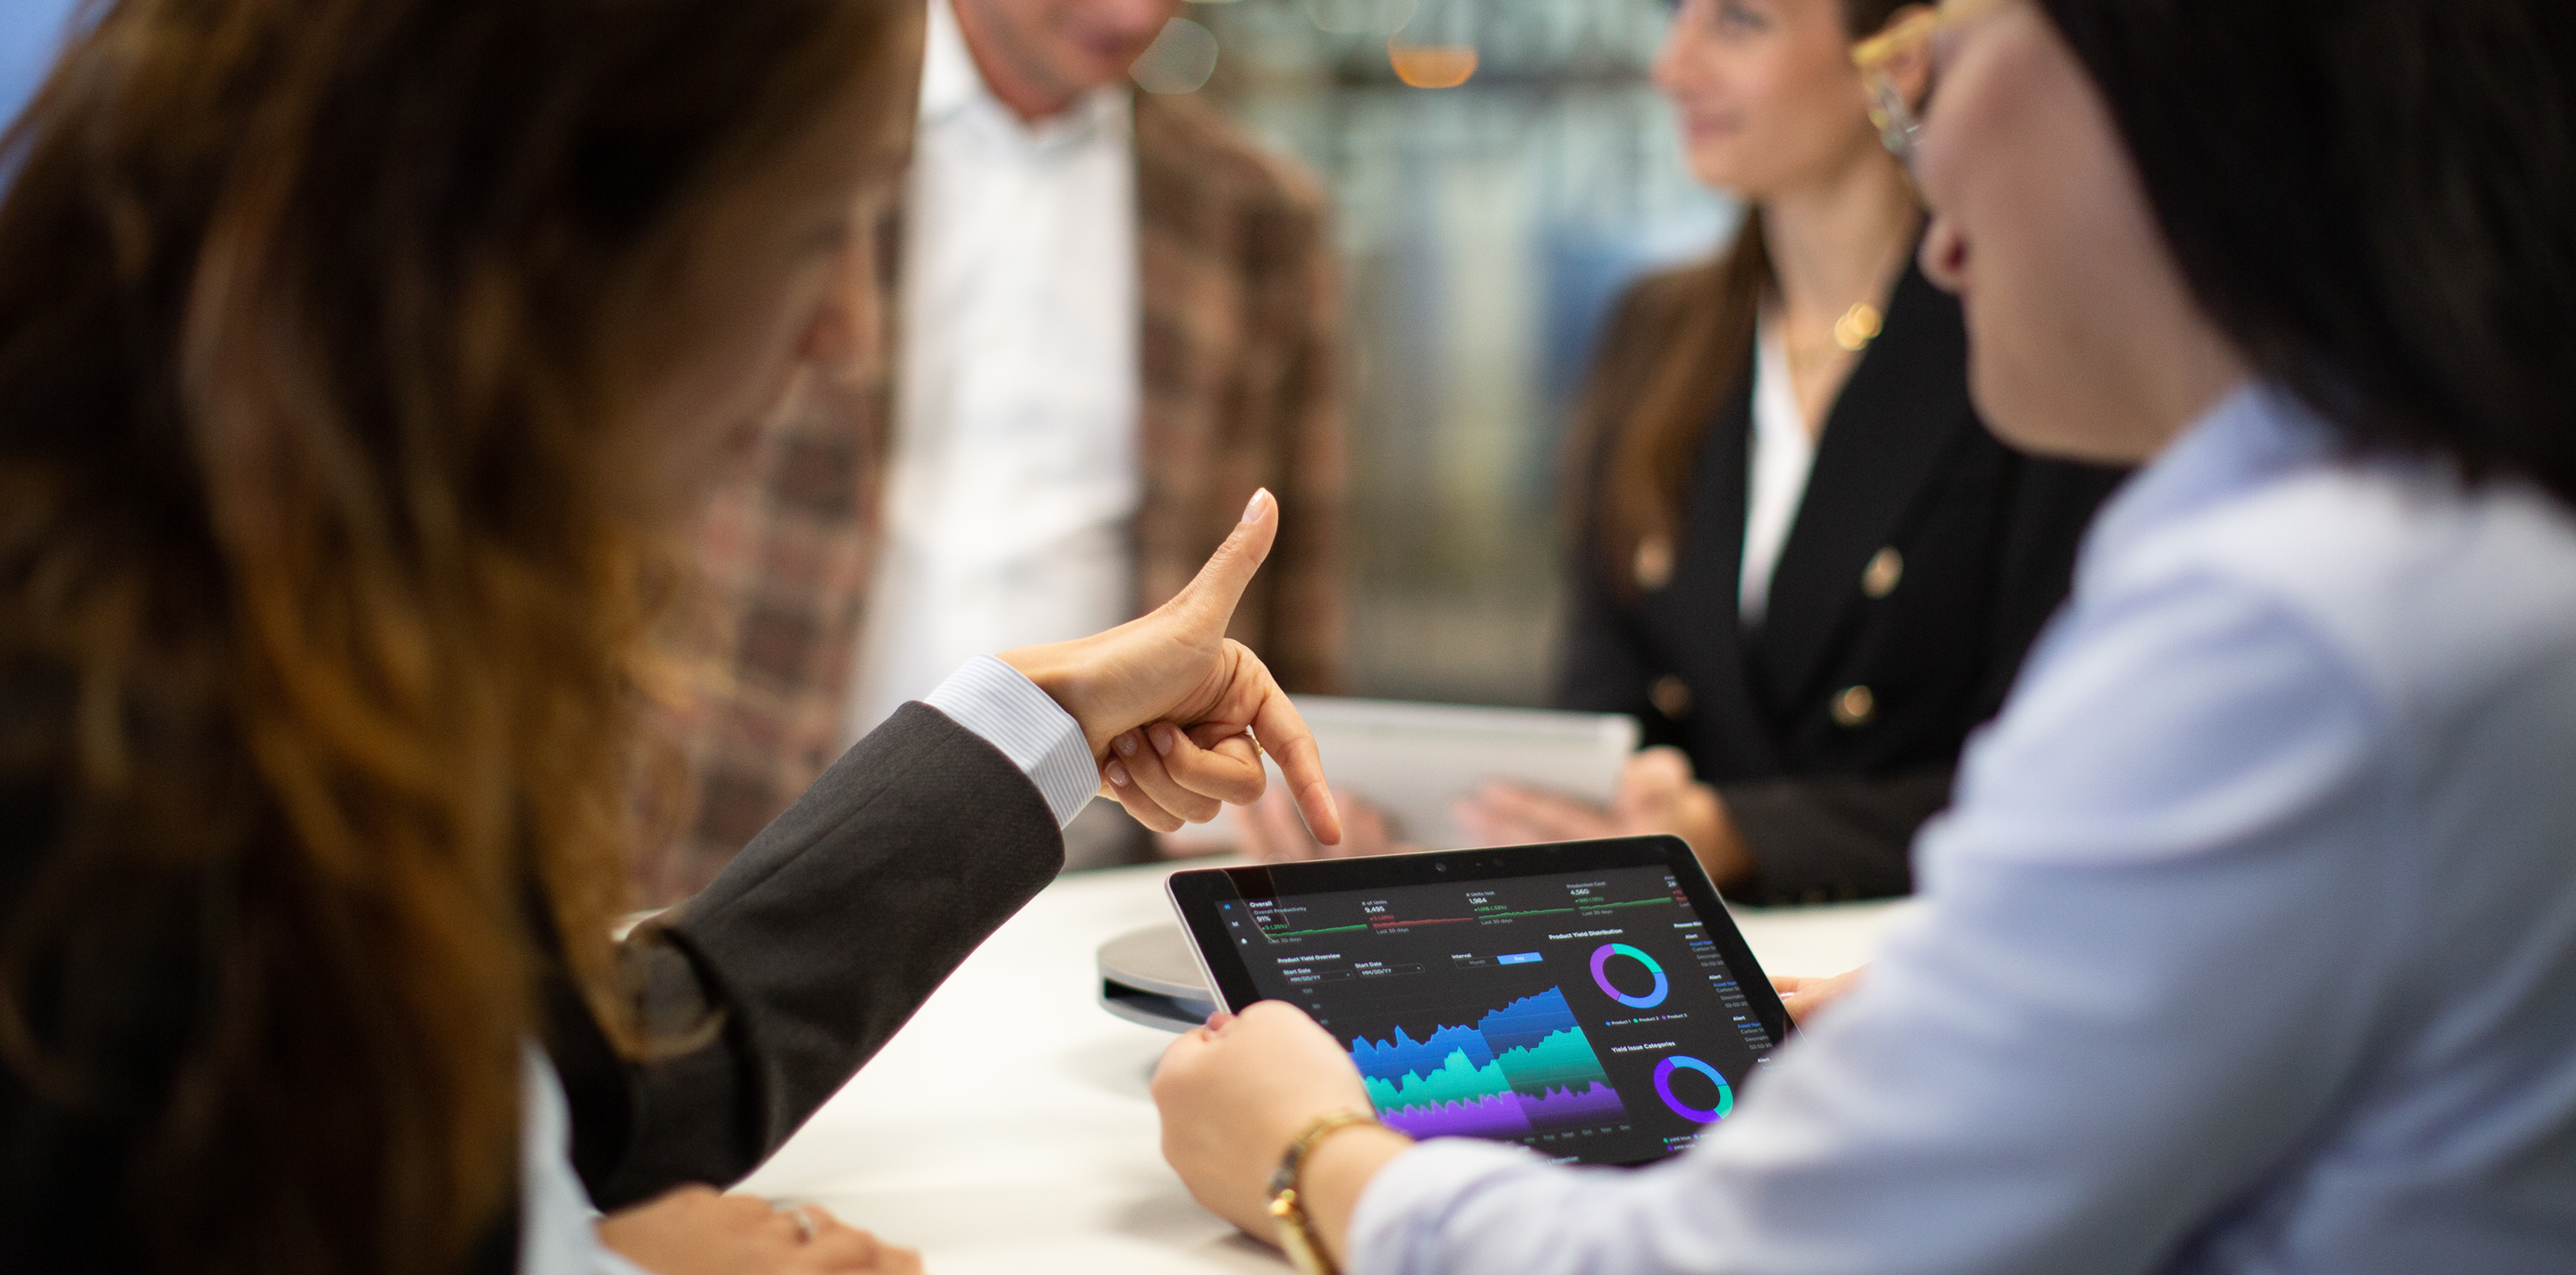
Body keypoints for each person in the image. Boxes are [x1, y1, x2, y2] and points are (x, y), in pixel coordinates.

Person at [1153, 0, 2576, 1271]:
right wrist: (1975, 1002)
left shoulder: (2281, 636)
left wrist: (1310, 1152)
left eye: (1942, 66)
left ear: (2164, 83)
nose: (1931, 164)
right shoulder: (2443, 537)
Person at [0, 2, 1338, 1272]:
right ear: (548, 230)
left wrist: (1035, 718)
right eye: (816, 234)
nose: (838, 334)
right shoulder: (106, 768)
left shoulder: (312, 622)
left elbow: (595, 1097)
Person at [1232, 0, 2120, 907]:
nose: (1673, 67)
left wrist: (1737, 833)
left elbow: (2074, 770)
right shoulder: (1659, 333)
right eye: (1676, 17)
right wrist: (1559, 808)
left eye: (1738, 23)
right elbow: (1599, 696)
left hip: (1924, 954)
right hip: (1671, 957)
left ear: (1900, 59)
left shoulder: (2024, 347)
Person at [646, 0, 1346, 899]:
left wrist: (1307, 796)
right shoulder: (769, 141)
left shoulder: (1254, 216)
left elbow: (1295, 586)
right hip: (740, 835)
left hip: (1088, 874)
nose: (1133, 13)